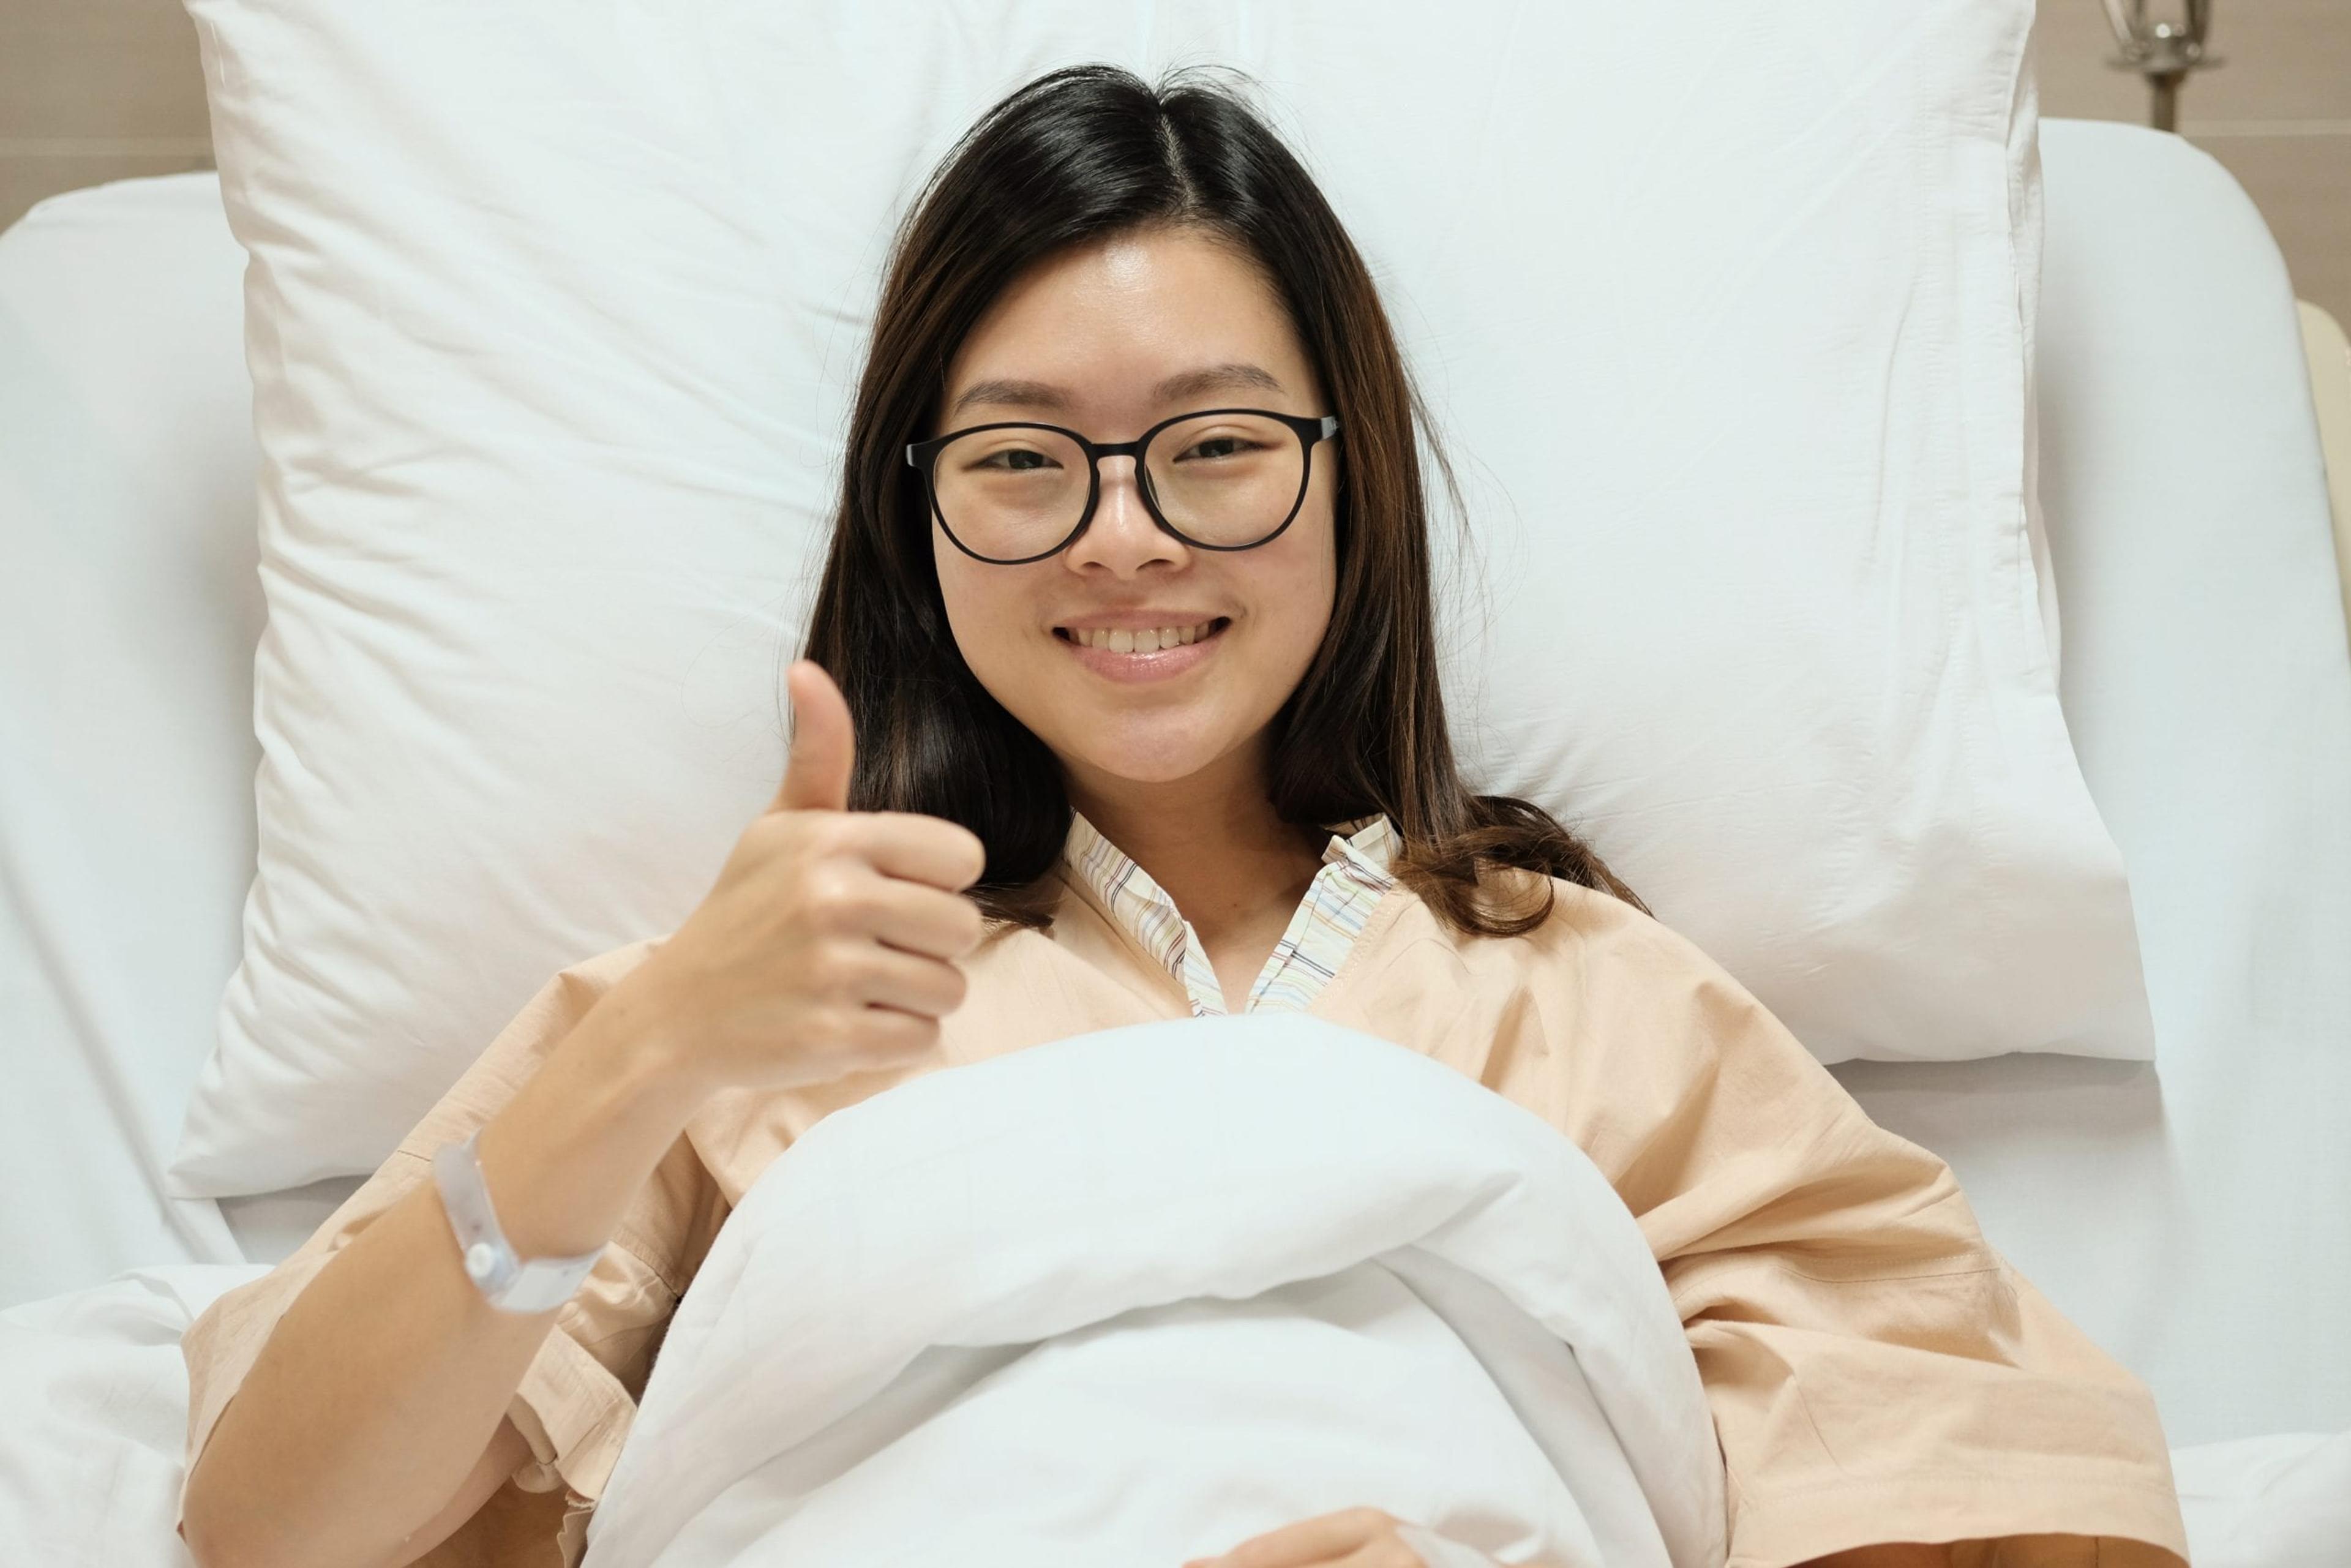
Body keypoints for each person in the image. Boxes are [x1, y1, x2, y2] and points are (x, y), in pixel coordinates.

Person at [174, 63, 2189, 1568]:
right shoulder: (742, 1004)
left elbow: (1964, 1482)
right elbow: (279, 1523)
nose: (1125, 539)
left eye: (1216, 447)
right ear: (919, 512)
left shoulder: (1584, 998)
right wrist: (647, 1053)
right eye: (1027, 459)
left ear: (1348, 477)